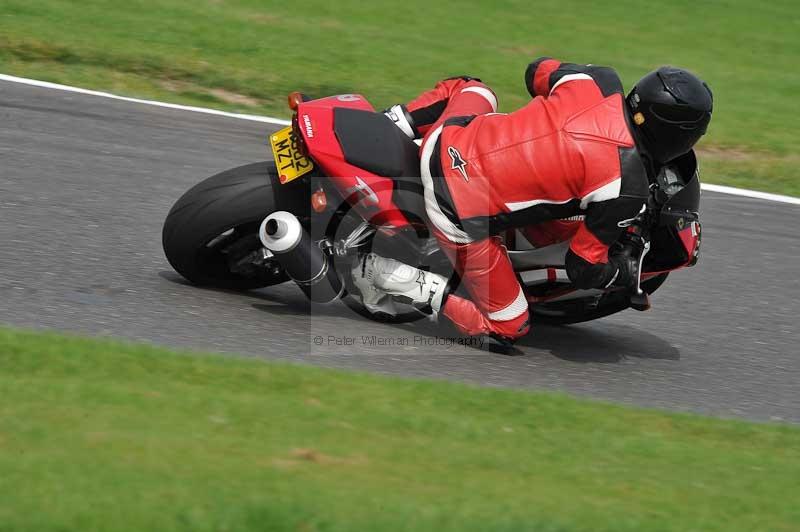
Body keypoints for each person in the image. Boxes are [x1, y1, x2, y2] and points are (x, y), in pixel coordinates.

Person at [352, 58, 713, 342]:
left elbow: (536, 71)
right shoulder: (626, 188)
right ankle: (391, 277)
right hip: (455, 208)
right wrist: (619, 271)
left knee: (472, 87)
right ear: (679, 136)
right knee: (509, 325)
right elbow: (582, 267)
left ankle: (393, 123)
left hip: (449, 136)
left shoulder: (599, 81)